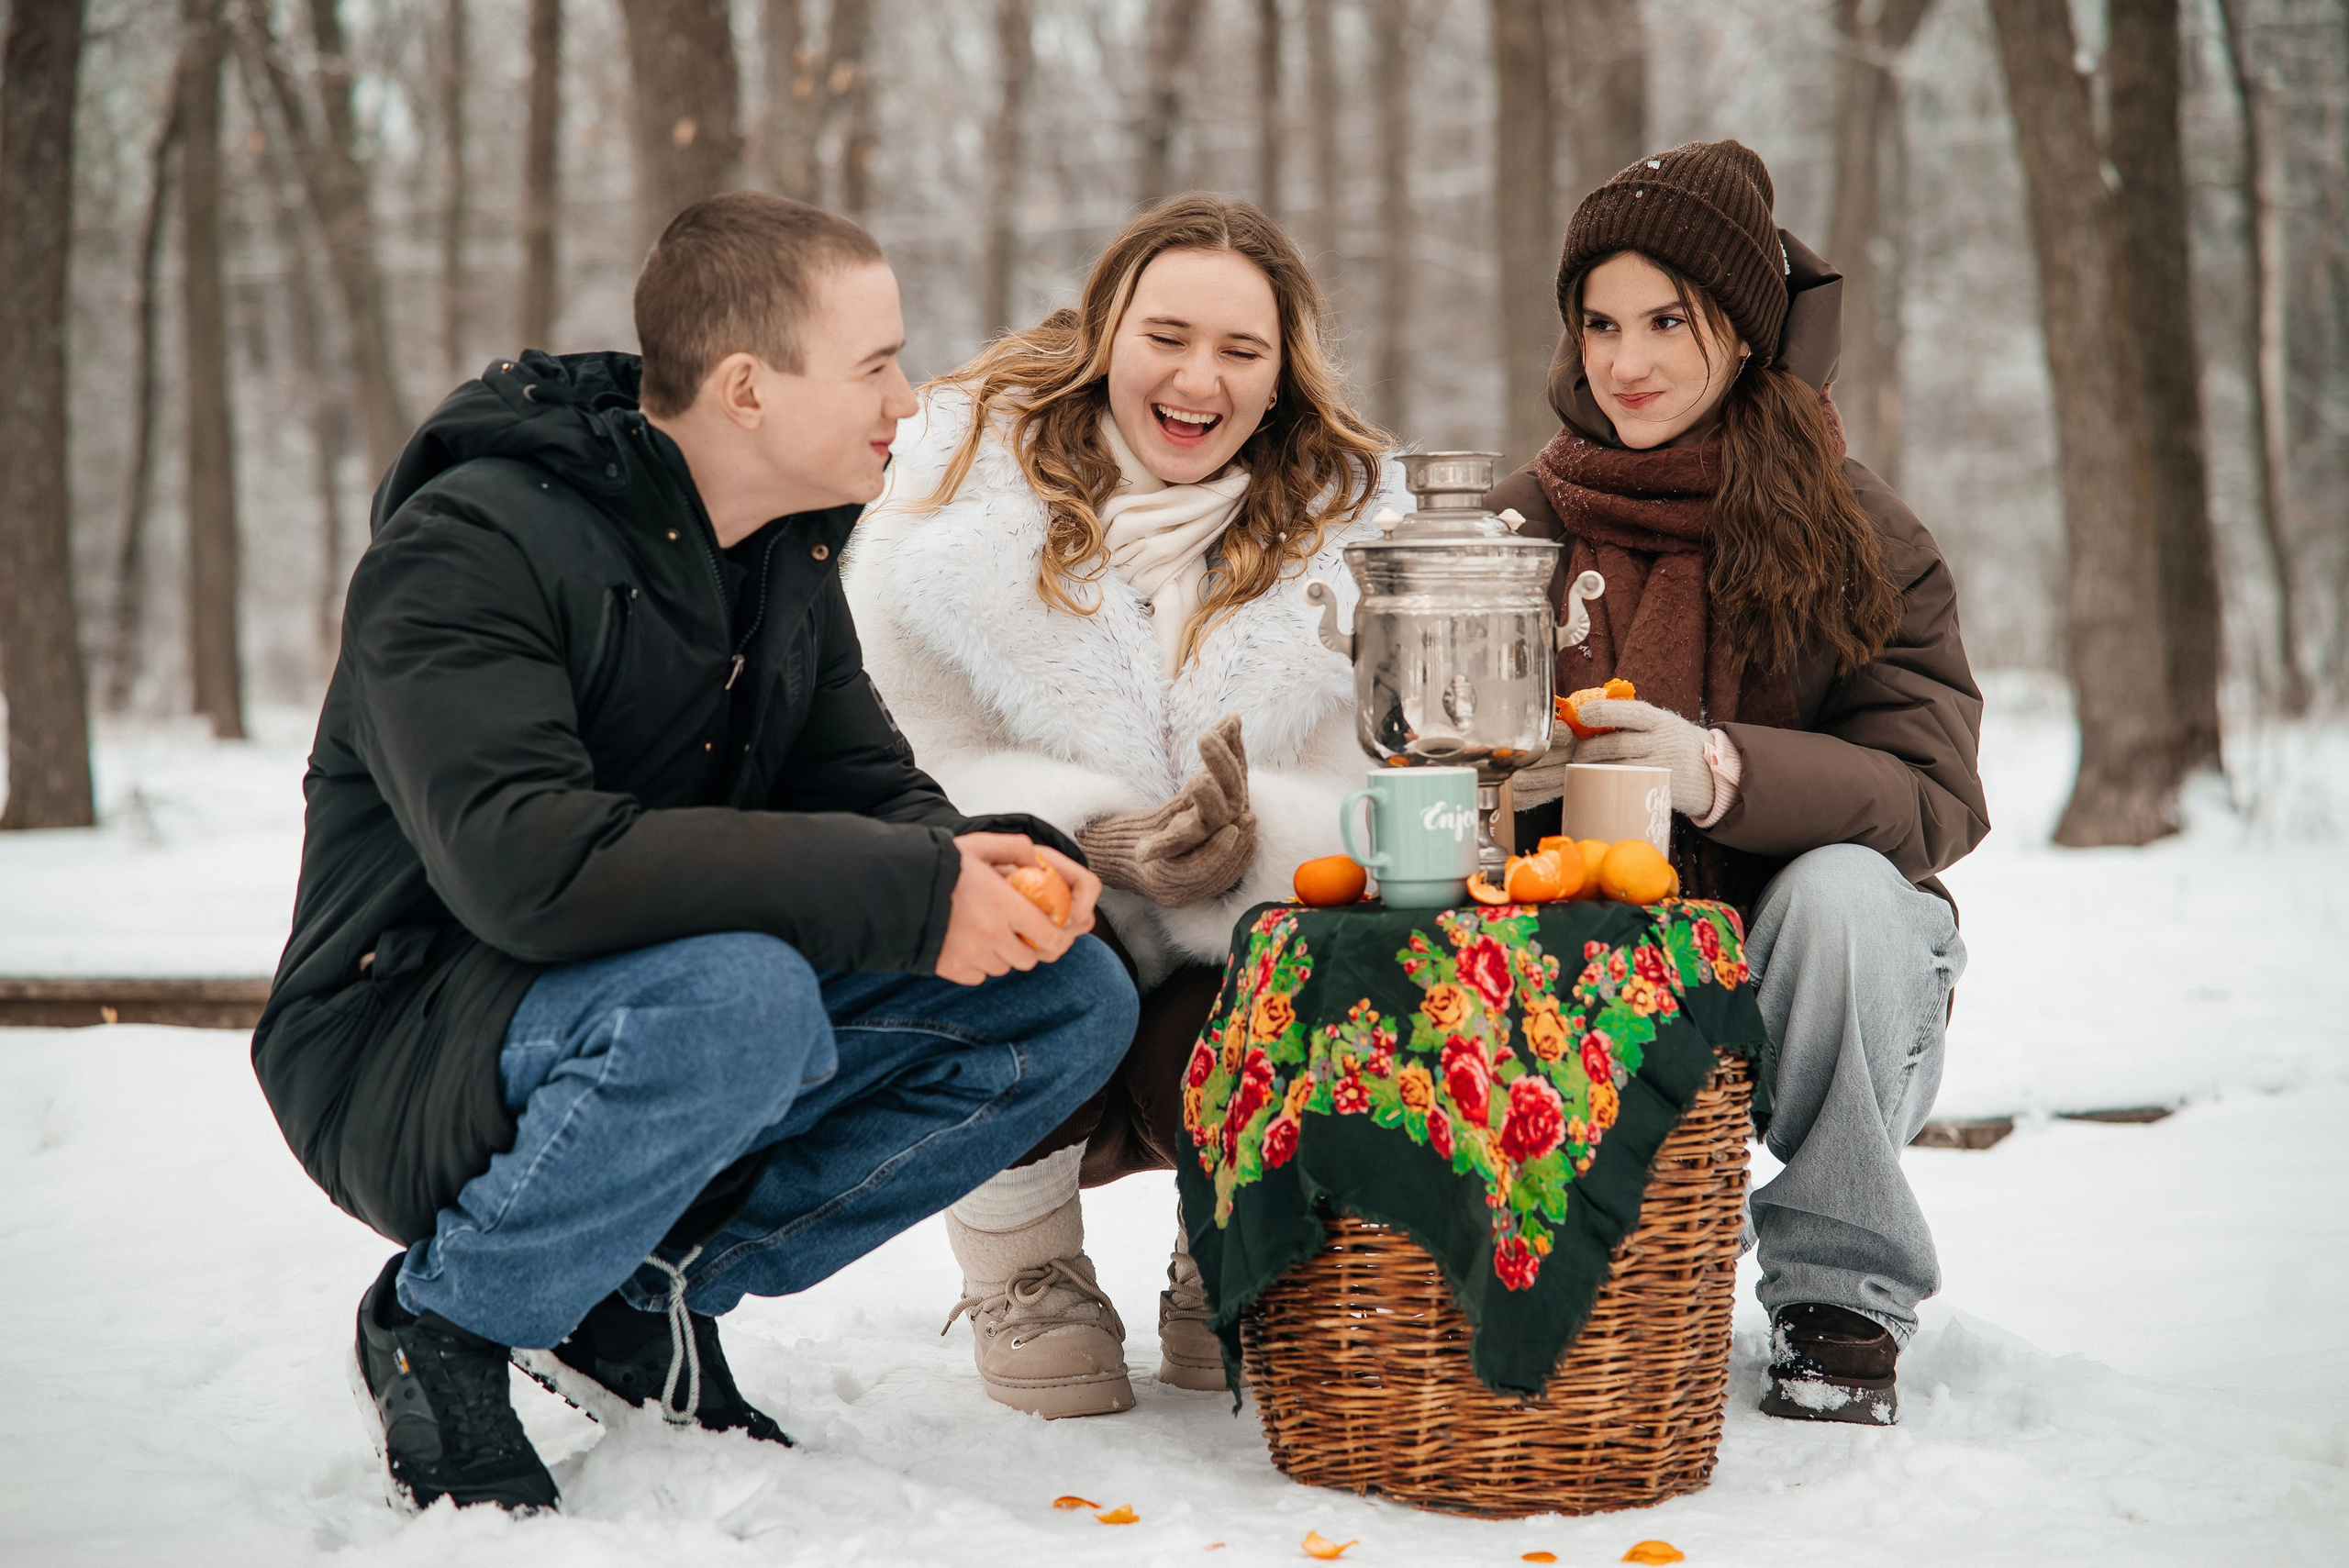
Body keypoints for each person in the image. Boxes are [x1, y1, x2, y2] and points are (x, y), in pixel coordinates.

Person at [251, 193, 1138, 1514]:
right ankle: (446, 1317)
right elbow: (527, 865)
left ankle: (638, 1291)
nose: (911, 393)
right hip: (399, 1030)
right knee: (742, 999)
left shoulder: (775, 557)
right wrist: (907, 890)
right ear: (747, 390)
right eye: (875, 364)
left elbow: (869, 793)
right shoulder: (471, 547)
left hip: (627, 1005)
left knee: (1064, 996)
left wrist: (998, 863)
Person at [842, 195, 1401, 1417]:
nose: (1198, 376)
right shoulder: (949, 505)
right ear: (1108, 334)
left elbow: (1379, 793)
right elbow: (897, 758)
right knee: (1004, 909)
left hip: (1223, 952)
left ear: (1278, 381)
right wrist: (1092, 834)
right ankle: (1024, 1267)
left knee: (1316, 957)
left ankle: (1229, 1240)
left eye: (1240, 351)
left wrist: (1259, 844)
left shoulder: (1349, 537)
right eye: (1168, 335)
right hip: (1051, 934)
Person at [1488, 140, 1988, 1426]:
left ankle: (1839, 1293)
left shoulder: (1856, 531)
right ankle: (1537, 1253)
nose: (1628, 360)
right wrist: (1509, 768)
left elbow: (1933, 787)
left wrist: (1720, 770)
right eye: (1600, 322)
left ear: (1745, 329)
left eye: (1669, 319)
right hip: (1601, 973)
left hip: (1823, 984)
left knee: (1841, 892)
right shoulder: (1526, 523)